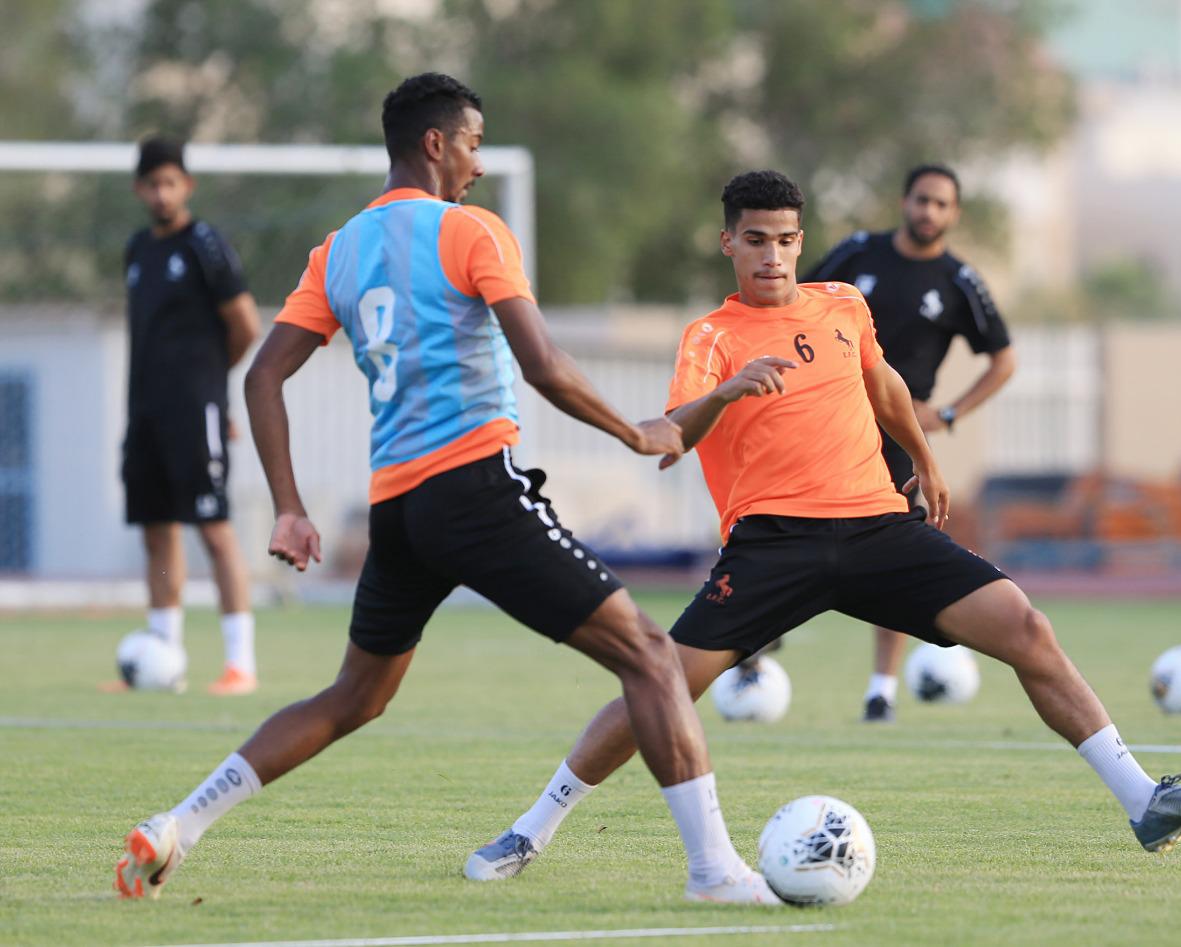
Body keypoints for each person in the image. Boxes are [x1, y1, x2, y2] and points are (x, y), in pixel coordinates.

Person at [113, 74, 776, 906]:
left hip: (399, 510)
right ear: (434, 143)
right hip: (475, 490)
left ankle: (179, 824)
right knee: (650, 654)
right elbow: (543, 365)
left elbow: (262, 377)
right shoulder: (471, 232)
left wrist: (289, 503)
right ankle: (715, 872)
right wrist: (634, 430)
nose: (480, 162)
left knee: (355, 695)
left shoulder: (339, 249)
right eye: (471, 141)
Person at [464, 170, 1181, 882]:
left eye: (785, 239)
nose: (773, 254)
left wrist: (926, 462)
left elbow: (885, 385)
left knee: (1026, 626)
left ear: (801, 240)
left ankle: (1144, 800)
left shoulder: (841, 303)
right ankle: (531, 830)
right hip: (773, 544)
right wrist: (728, 390)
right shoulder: (710, 337)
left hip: (877, 528)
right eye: (756, 239)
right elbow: (675, 430)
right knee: (658, 683)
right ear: (729, 240)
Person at [797, 162, 1016, 723]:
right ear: (904, 201)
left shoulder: (958, 281)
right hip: (826, 414)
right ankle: (753, 640)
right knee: (781, 516)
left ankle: (881, 690)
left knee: (890, 544)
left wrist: (946, 414)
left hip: (896, 430)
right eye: (922, 200)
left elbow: (1004, 360)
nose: (930, 212)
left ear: (955, 213)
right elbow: (798, 303)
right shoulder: (858, 253)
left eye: (942, 204)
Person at [119, 136, 262, 696]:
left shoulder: (205, 244)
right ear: (139, 190)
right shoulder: (137, 250)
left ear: (187, 186)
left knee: (214, 529)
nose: (161, 193)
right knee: (157, 532)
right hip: (146, 414)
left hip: (195, 410)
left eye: (170, 182)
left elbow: (246, 326)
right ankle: (164, 654)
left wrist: (212, 394)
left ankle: (239, 664)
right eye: (151, 184)